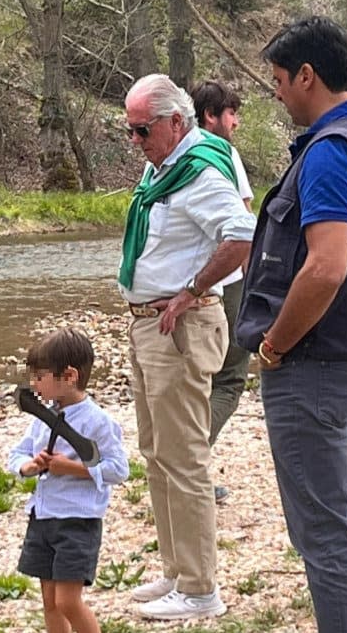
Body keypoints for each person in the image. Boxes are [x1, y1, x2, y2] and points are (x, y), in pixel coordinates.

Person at [236, 16, 347, 633]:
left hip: (315, 370)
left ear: (308, 76)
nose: (277, 92)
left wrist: (272, 347)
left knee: (326, 536)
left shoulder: (331, 152)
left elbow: (324, 268)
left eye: (280, 80)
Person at [118, 74, 256, 621]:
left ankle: (200, 588)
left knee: (185, 458)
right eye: (129, 130)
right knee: (157, 454)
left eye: (142, 129)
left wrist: (192, 292)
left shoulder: (199, 170)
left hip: (179, 326)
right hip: (149, 325)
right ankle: (177, 570)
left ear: (176, 122)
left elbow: (242, 235)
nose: (134, 140)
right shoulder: (163, 167)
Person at [8, 327, 129, 633]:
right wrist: (28, 467)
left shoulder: (99, 422)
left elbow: (118, 469)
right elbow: (18, 453)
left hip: (78, 520)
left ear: (69, 376)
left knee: (68, 601)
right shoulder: (44, 417)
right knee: (49, 601)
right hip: (43, 515)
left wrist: (70, 468)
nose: (34, 384)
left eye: (40, 376)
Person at [191, 80, 254, 504]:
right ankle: (191, 469)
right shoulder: (224, 153)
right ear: (211, 115)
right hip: (225, 283)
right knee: (230, 378)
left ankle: (177, 467)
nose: (235, 122)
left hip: (184, 288)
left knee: (195, 381)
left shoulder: (172, 153)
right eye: (231, 113)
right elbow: (247, 223)